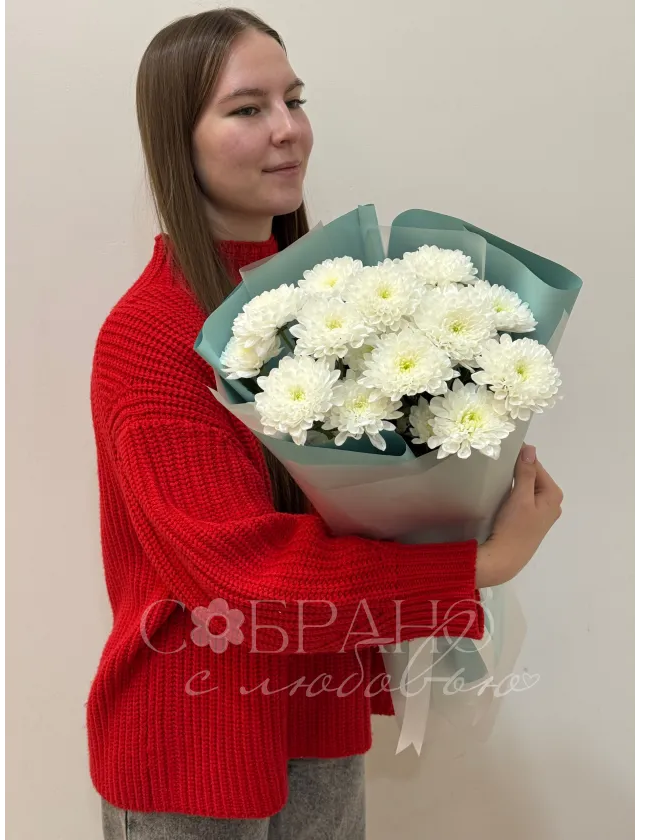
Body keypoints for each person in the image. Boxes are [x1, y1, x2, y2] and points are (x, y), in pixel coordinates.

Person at [89, 8, 564, 840]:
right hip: (194, 739)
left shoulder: (327, 305)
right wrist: (477, 566)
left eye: (294, 100)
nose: (288, 130)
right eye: (247, 109)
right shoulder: (150, 339)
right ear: (178, 142)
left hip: (317, 711)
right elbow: (241, 579)